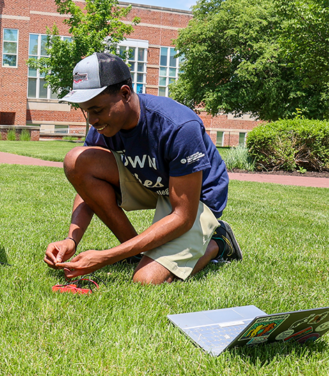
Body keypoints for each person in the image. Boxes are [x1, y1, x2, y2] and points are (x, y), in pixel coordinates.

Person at [43, 53, 242, 285]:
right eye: (86, 111)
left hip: (194, 198)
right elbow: (87, 191)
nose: (92, 120)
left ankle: (218, 243)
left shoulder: (178, 126)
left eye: (97, 109)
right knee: (77, 160)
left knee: (146, 280)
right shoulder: (104, 126)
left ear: (125, 93)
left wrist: (107, 257)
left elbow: (182, 217)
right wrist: (72, 239)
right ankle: (136, 253)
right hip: (152, 181)